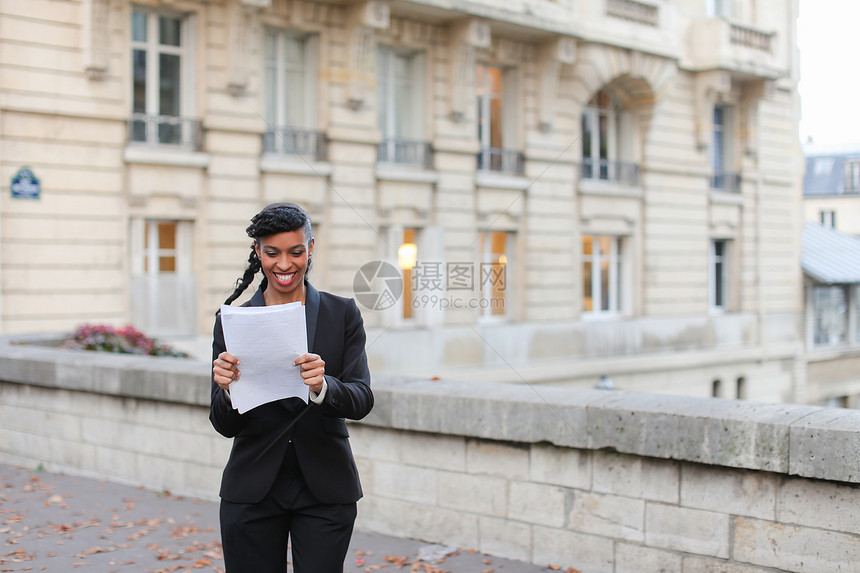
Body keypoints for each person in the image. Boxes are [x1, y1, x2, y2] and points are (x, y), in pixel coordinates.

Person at [210, 202, 373, 573]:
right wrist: (225, 389)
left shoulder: (342, 313)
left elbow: (362, 398)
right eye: (272, 253)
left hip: (326, 490)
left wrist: (323, 386)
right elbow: (223, 424)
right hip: (251, 491)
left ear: (311, 248)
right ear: (258, 252)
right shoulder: (232, 321)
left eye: (296, 252)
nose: (284, 264)